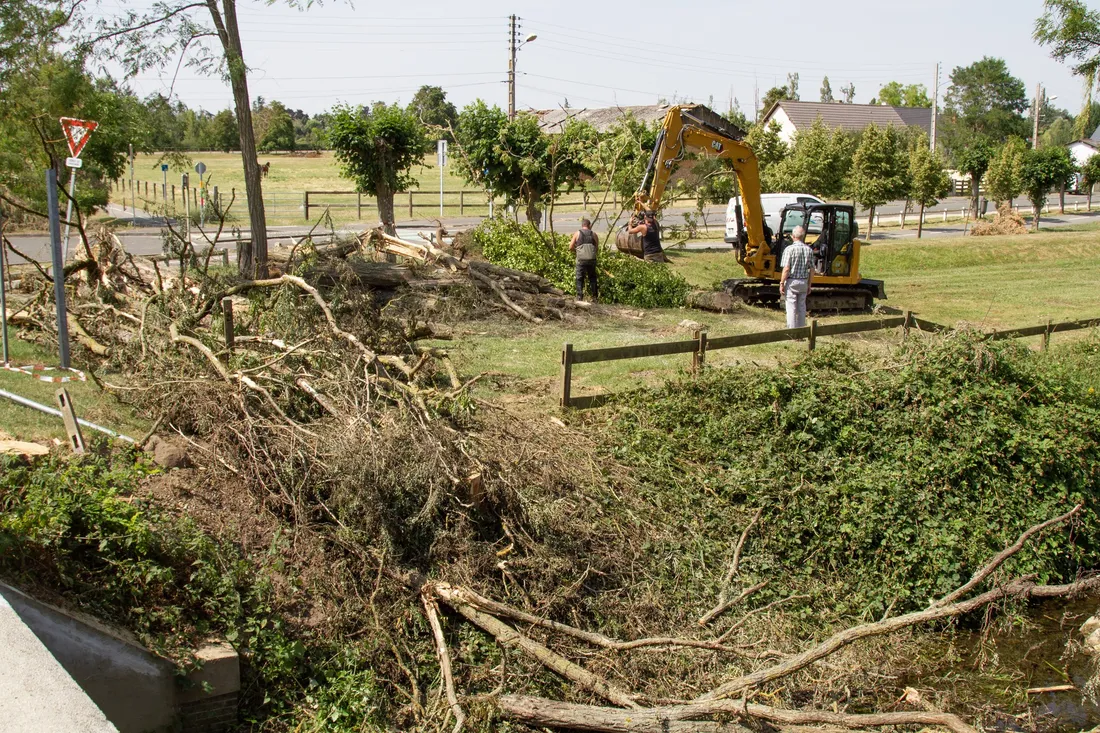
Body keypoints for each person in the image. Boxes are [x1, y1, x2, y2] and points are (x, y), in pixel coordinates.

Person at [779, 225, 813, 329]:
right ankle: (801, 330)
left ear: (793, 236)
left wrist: (781, 283)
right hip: (803, 281)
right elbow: (812, 269)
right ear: (802, 237)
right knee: (802, 307)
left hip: (792, 281)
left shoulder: (789, 249)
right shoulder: (809, 250)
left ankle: (792, 331)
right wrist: (809, 285)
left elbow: (786, 268)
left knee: (791, 308)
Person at [569, 218, 599, 302]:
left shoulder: (577, 233)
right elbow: (596, 248)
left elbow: (570, 247)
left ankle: (579, 297)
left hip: (581, 260)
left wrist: (577, 251)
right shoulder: (594, 234)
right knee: (592, 278)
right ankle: (594, 297)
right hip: (591, 259)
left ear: (582, 225)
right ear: (589, 226)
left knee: (579, 278)